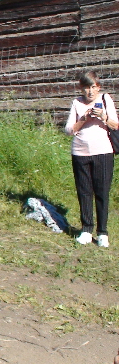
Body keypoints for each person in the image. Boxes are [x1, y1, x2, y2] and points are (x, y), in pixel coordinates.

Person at [64, 71, 118, 247]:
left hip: (103, 152)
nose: (90, 91)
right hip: (80, 153)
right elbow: (69, 130)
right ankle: (87, 229)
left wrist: (102, 116)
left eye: (93, 87)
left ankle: (102, 232)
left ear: (98, 87)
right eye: (86, 87)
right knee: (84, 192)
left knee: (102, 192)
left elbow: (115, 124)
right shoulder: (76, 103)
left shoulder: (105, 99)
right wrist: (85, 118)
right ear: (81, 88)